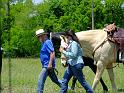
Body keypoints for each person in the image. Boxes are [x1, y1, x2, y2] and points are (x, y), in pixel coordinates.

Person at [35, 29, 61, 93]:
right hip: (46, 65)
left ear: (43, 35)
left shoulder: (47, 42)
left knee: (40, 79)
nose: (38, 38)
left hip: (47, 66)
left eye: (39, 36)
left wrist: (50, 64)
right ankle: (67, 89)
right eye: (38, 37)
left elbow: (52, 53)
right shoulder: (43, 43)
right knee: (55, 80)